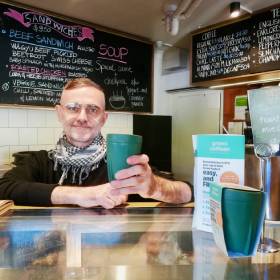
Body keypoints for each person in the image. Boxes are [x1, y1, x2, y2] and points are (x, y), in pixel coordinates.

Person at [0, 78, 192, 209]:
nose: (82, 117)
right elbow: (4, 187)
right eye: (73, 108)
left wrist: (154, 187)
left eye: (93, 109)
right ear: (59, 113)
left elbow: (187, 192)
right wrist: (82, 195)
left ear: (104, 118)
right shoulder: (40, 161)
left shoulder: (122, 164)